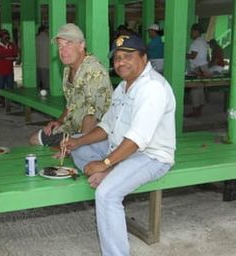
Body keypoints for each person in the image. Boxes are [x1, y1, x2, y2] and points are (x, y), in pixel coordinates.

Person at [63, 34, 176, 256]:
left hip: (151, 157)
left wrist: (105, 164)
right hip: (121, 150)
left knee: (106, 195)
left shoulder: (152, 88)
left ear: (144, 57)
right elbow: (106, 127)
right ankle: (113, 171)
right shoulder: (123, 87)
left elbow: (137, 139)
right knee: (80, 150)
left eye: (128, 56)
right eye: (117, 58)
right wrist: (77, 141)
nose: (120, 62)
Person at [29, 23, 113, 147]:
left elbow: (92, 116)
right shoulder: (68, 69)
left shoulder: (94, 71)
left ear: (81, 45)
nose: (63, 51)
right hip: (72, 127)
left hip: (95, 135)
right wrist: (59, 121)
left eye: (68, 44)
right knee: (35, 139)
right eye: (60, 46)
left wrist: (79, 145)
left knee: (59, 155)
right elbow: (71, 104)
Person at [0, 29, 19, 107]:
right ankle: (3, 102)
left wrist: (14, 58)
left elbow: (15, 55)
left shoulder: (11, 45)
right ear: (1, 38)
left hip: (9, 70)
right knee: (0, 87)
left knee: (10, 87)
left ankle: (8, 102)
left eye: (8, 38)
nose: (7, 39)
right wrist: (2, 56)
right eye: (6, 38)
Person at [186, 23, 209, 117]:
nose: (191, 33)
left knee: (195, 90)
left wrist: (182, 54)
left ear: (196, 31)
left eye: (192, 31)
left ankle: (195, 111)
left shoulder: (196, 42)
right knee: (200, 89)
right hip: (204, 67)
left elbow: (193, 55)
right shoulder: (203, 41)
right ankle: (199, 111)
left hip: (197, 68)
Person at [36, 24, 50, 90]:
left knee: (37, 84)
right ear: (45, 30)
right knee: (46, 85)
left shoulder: (36, 38)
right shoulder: (48, 39)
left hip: (37, 64)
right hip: (46, 65)